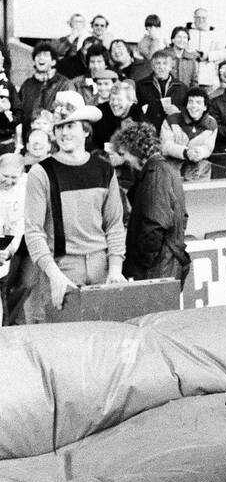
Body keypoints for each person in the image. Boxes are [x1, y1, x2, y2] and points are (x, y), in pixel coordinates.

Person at [23, 91, 126, 315]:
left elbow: (114, 224)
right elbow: (33, 231)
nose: (64, 132)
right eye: (59, 127)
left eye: (70, 126)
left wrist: (115, 268)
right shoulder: (41, 172)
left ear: (85, 130)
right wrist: (54, 274)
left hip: (101, 264)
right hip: (61, 266)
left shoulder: (104, 169)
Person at [111, 121, 189, 285]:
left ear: (135, 149)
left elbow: (155, 225)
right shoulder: (166, 169)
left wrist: (139, 265)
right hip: (166, 262)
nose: (125, 160)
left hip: (157, 268)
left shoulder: (155, 173)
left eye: (125, 154)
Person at [160, 86, 218, 178]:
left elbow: (208, 147)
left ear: (205, 107)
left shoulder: (212, 124)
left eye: (198, 102)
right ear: (186, 105)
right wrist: (185, 152)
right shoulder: (171, 120)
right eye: (190, 102)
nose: (194, 106)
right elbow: (166, 146)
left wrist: (200, 152)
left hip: (199, 172)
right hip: (172, 171)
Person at [19, 43, 66, 143]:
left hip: (54, 140)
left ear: (53, 61)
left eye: (45, 55)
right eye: (38, 55)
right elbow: (19, 112)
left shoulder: (64, 84)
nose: (41, 58)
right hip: (30, 139)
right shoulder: (27, 85)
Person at [0, 152, 26, 324]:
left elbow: (18, 226)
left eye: (14, 177)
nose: (9, 181)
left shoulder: (24, 190)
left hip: (3, 262)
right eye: (4, 176)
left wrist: (9, 250)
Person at [137, 49, 188, 128]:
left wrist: (179, 111)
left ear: (171, 67)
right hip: (149, 132)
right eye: (158, 63)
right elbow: (136, 111)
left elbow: (188, 112)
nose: (161, 67)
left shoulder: (181, 87)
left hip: (172, 132)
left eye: (165, 63)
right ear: (153, 66)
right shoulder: (141, 86)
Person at [91, 80, 143, 150]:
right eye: (112, 99)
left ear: (130, 102)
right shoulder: (100, 112)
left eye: (119, 100)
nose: (115, 103)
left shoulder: (139, 119)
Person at [186, 7, 226, 91]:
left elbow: (223, 53)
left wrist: (207, 56)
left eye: (203, 18)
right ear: (194, 18)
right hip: (190, 77)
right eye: (198, 17)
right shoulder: (187, 32)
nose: (201, 20)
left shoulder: (214, 34)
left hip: (208, 78)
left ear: (207, 19)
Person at [168, 26, 198, 90]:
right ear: (172, 40)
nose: (182, 40)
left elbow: (194, 82)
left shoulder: (191, 59)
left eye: (185, 37)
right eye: (179, 37)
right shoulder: (165, 56)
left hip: (185, 95)